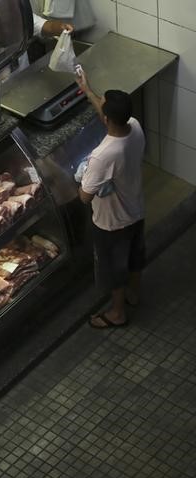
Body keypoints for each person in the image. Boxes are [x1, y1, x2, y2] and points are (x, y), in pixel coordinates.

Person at [75, 69, 146, 329]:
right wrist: (86, 89)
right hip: (136, 210)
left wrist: (80, 179)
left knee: (114, 269)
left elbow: (84, 197)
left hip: (112, 223)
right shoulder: (135, 127)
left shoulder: (103, 155)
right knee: (135, 257)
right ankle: (134, 294)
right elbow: (108, 114)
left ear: (106, 119)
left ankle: (118, 313)